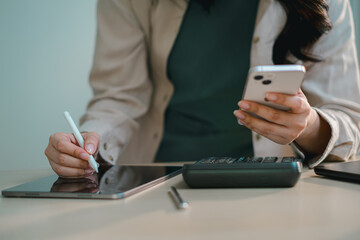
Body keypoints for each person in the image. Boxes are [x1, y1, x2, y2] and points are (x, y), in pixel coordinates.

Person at [45, 0, 360, 178]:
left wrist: (307, 126)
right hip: (160, 182)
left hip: (274, 183)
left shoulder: (327, 4)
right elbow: (120, 96)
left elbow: (349, 122)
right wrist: (89, 144)